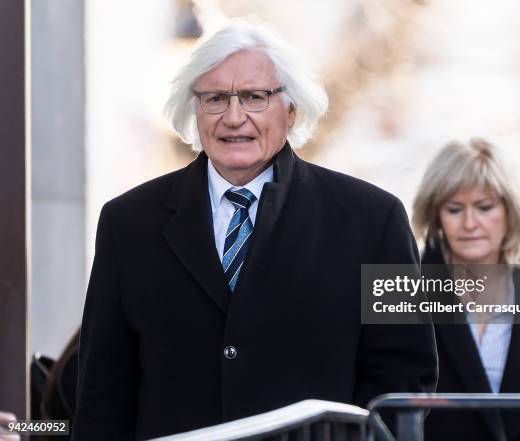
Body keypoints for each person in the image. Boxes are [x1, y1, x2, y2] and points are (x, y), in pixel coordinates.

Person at [72, 20, 437, 440]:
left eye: (254, 97)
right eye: (214, 98)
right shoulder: (127, 222)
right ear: (194, 110)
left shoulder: (378, 218)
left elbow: (407, 378)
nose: (233, 116)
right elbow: (101, 392)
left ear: (292, 109)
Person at [412, 138, 520, 441]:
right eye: (454, 209)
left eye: (484, 207)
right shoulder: (404, 289)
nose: (470, 223)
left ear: (512, 209)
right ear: (436, 215)